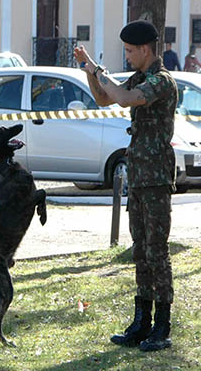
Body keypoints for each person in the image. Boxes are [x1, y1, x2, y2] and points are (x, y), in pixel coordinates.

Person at [74, 19, 177, 352]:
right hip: (139, 176)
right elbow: (104, 98)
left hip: (157, 178)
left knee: (157, 253)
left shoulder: (161, 82)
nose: (128, 56)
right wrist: (89, 72)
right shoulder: (140, 77)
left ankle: (162, 325)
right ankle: (141, 322)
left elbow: (121, 97)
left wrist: (95, 66)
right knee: (140, 251)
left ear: (145, 49)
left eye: (131, 51)